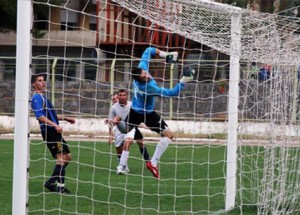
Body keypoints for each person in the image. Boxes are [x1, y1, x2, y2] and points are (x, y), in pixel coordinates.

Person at [116, 47, 194, 179]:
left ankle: (121, 166)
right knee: (169, 135)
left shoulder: (140, 69)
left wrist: (165, 54)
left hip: (134, 111)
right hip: (147, 114)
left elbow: (147, 50)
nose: (146, 74)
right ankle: (152, 163)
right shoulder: (149, 87)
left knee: (128, 139)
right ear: (141, 80)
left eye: (145, 72)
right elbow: (172, 93)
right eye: (144, 76)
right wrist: (182, 81)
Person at [31, 74, 75, 193]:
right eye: (40, 81)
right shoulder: (36, 98)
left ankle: (52, 182)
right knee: (61, 157)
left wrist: (65, 118)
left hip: (53, 130)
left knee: (68, 157)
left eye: (44, 80)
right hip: (49, 131)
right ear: (33, 84)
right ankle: (58, 186)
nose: (43, 82)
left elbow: (51, 116)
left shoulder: (43, 97)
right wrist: (54, 125)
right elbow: (39, 116)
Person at [107, 89, 150, 174]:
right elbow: (110, 122)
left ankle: (121, 167)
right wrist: (110, 135)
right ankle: (124, 166)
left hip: (131, 127)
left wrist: (145, 124)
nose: (122, 97)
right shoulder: (114, 108)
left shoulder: (132, 105)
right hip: (119, 130)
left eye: (124, 95)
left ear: (127, 96)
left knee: (129, 142)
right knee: (119, 151)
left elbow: (140, 115)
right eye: (120, 95)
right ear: (118, 97)